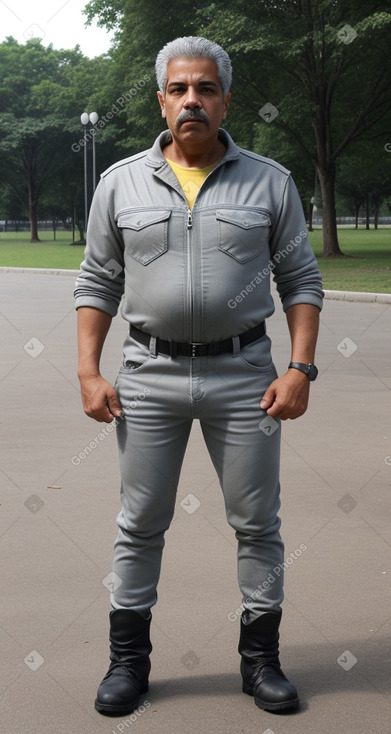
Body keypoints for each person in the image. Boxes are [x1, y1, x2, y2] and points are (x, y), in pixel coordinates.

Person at [74, 35, 323, 717]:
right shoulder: (118, 182)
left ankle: (260, 661)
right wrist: (87, 371)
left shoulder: (268, 181)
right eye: (179, 89)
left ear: (224, 99)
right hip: (146, 377)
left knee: (256, 523)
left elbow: (301, 278)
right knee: (140, 523)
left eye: (205, 88)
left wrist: (299, 367)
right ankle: (128, 663)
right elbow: (97, 281)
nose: (192, 100)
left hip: (246, 377)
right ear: (161, 99)